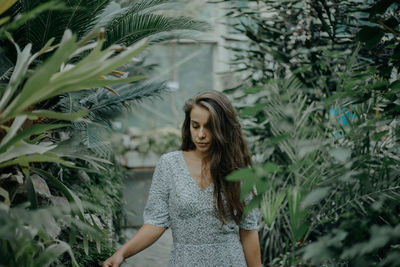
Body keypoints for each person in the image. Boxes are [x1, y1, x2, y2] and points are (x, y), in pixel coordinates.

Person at [102, 90, 261, 267]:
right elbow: (156, 222)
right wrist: (122, 253)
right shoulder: (169, 164)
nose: (201, 134)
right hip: (184, 261)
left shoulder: (238, 168)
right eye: (195, 126)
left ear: (223, 128)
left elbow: (248, 230)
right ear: (188, 125)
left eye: (209, 127)